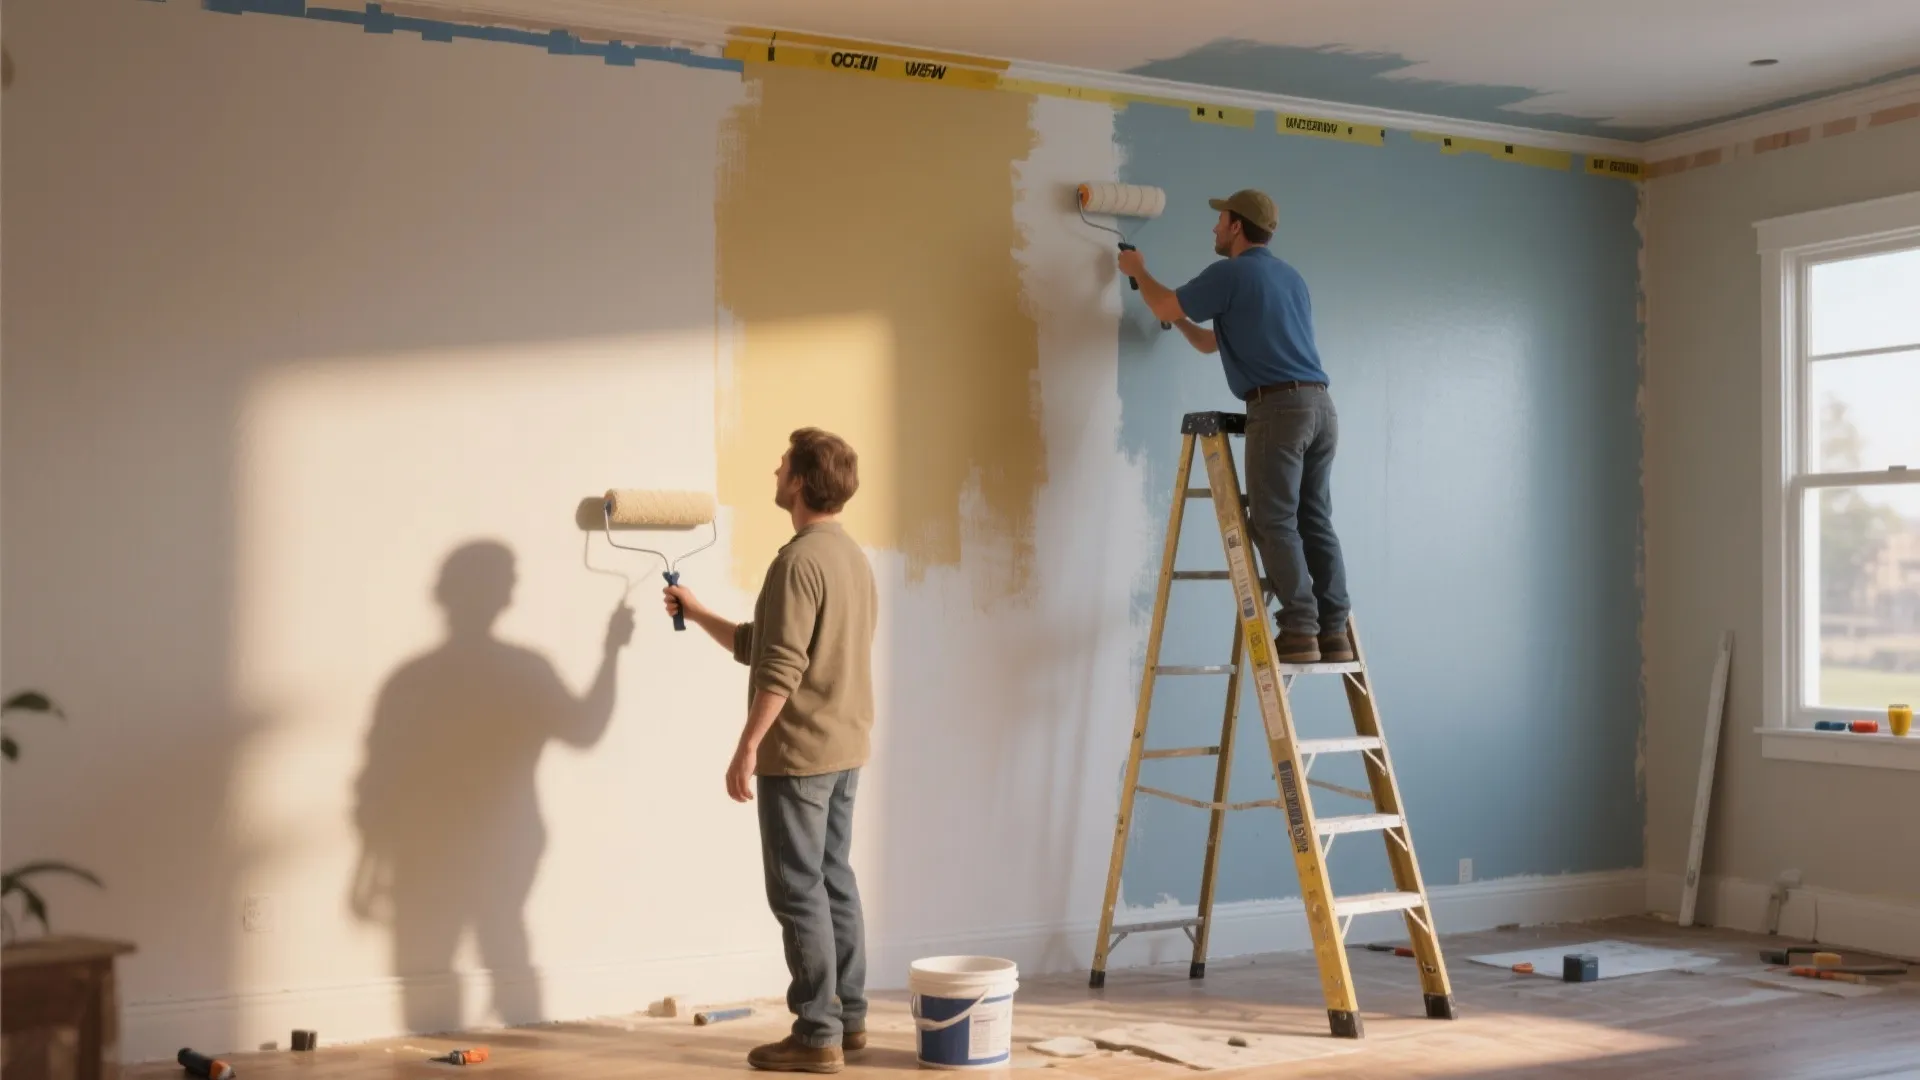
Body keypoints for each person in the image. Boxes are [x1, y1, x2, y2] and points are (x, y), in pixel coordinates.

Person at [664, 427, 879, 1074]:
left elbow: (781, 665)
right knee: (833, 880)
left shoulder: (796, 563)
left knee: (797, 891)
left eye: (783, 465)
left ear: (803, 482)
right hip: (845, 747)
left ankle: (817, 1034)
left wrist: (747, 746)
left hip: (802, 752)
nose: (775, 470)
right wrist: (699, 613)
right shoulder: (847, 557)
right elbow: (769, 641)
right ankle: (850, 1019)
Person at [1116, 188, 1352, 664]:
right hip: (1320, 407)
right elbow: (1208, 342)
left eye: (1220, 221)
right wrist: (1179, 322)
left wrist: (1138, 272)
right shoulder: (1289, 278)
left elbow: (1163, 305)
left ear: (1238, 227)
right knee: (1314, 520)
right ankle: (1334, 629)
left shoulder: (1230, 273)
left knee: (1273, 521)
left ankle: (1300, 628)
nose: (1214, 229)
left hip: (1279, 409)